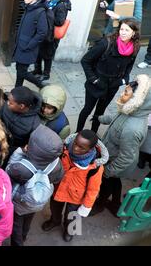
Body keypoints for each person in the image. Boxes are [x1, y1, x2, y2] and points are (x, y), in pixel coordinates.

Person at [91, 74, 151, 216]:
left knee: (106, 183)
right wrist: (101, 118)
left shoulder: (132, 129)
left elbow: (126, 158)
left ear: (138, 101)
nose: (122, 93)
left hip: (114, 163)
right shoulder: (131, 110)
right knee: (115, 182)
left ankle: (100, 204)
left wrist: (106, 171)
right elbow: (117, 117)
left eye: (126, 92)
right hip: (113, 157)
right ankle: (115, 203)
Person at [77, 18, 140, 133]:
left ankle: (93, 134)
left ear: (134, 33)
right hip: (96, 83)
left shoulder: (135, 47)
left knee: (100, 111)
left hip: (112, 86)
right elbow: (85, 61)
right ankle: (77, 133)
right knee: (87, 109)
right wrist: (94, 80)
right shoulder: (106, 43)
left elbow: (129, 65)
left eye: (127, 30)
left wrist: (124, 79)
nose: (123, 32)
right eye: (121, 29)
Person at [5, 124, 64, 246]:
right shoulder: (56, 164)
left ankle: (17, 243)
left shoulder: (22, 168)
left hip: (20, 202)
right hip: (38, 202)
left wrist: (20, 151)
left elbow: (9, 170)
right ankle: (24, 236)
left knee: (16, 224)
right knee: (28, 219)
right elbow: (58, 178)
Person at [42, 130, 104, 242]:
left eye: (81, 147)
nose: (75, 148)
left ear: (90, 149)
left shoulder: (95, 166)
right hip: (59, 188)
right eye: (75, 143)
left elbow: (93, 190)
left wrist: (86, 206)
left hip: (76, 197)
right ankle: (55, 221)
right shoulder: (65, 151)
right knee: (54, 208)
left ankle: (70, 230)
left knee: (73, 215)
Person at [12, 0, 48, 88]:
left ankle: (40, 84)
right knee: (20, 70)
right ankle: (17, 91)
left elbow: (42, 32)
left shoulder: (39, 12)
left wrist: (29, 45)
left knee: (22, 72)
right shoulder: (29, 7)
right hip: (21, 45)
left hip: (27, 47)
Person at [34, 0, 72, 81]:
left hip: (51, 36)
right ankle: (37, 70)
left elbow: (59, 22)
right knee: (38, 52)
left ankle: (46, 74)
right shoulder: (52, 2)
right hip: (45, 33)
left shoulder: (61, 5)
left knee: (47, 55)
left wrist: (48, 13)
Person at [0, 86, 41, 159]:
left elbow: (29, 145)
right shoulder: (7, 105)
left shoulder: (34, 124)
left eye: (11, 103)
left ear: (21, 106)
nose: (7, 103)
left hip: (12, 151)